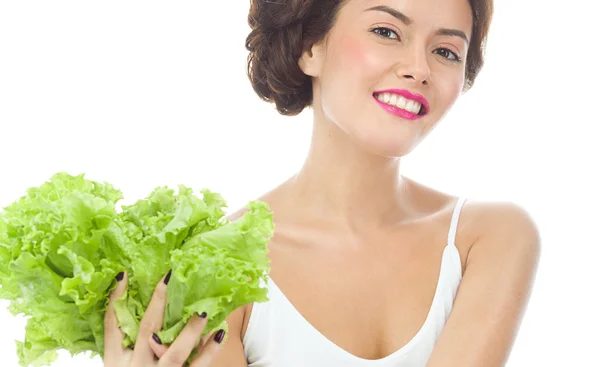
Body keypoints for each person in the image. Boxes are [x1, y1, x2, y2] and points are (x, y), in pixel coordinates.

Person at [103, 0, 541, 366]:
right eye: (387, 32)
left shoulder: (489, 238)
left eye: (446, 51)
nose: (418, 68)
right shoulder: (222, 266)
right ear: (309, 46)